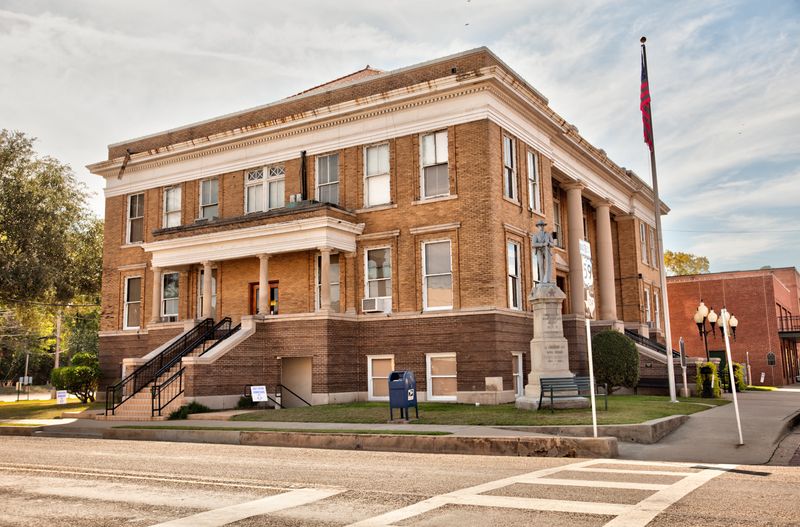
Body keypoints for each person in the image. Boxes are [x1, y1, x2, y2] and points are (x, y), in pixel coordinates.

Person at [532, 220, 555, 285]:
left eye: (542, 225)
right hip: (539, 250)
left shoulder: (548, 234)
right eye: (540, 225)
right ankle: (542, 280)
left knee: (548, 264)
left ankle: (548, 279)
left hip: (546, 250)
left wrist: (548, 244)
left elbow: (553, 244)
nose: (541, 227)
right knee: (541, 265)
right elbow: (533, 244)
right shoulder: (535, 235)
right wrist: (542, 244)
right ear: (538, 226)